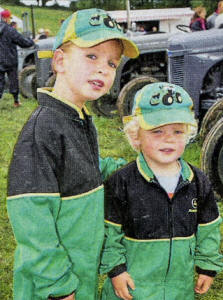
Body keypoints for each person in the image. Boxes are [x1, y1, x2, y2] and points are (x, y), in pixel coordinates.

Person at [7, 8, 139, 300]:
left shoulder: (78, 118)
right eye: (92, 56)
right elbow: (32, 221)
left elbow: (85, 169)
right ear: (60, 61)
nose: (104, 68)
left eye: (112, 62)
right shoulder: (42, 131)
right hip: (54, 285)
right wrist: (58, 286)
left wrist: (123, 169)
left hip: (81, 270)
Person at [100, 82, 223, 300]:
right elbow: (110, 233)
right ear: (136, 135)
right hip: (133, 288)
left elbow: (209, 229)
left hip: (179, 289)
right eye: (157, 131)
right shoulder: (122, 182)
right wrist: (116, 270)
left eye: (177, 131)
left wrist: (207, 265)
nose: (169, 138)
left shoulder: (198, 182)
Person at [0, 9, 34, 107]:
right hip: (10, 60)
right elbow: (23, 42)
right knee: (13, 81)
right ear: (6, 18)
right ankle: (16, 102)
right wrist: (32, 41)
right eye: (9, 18)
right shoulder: (10, 30)